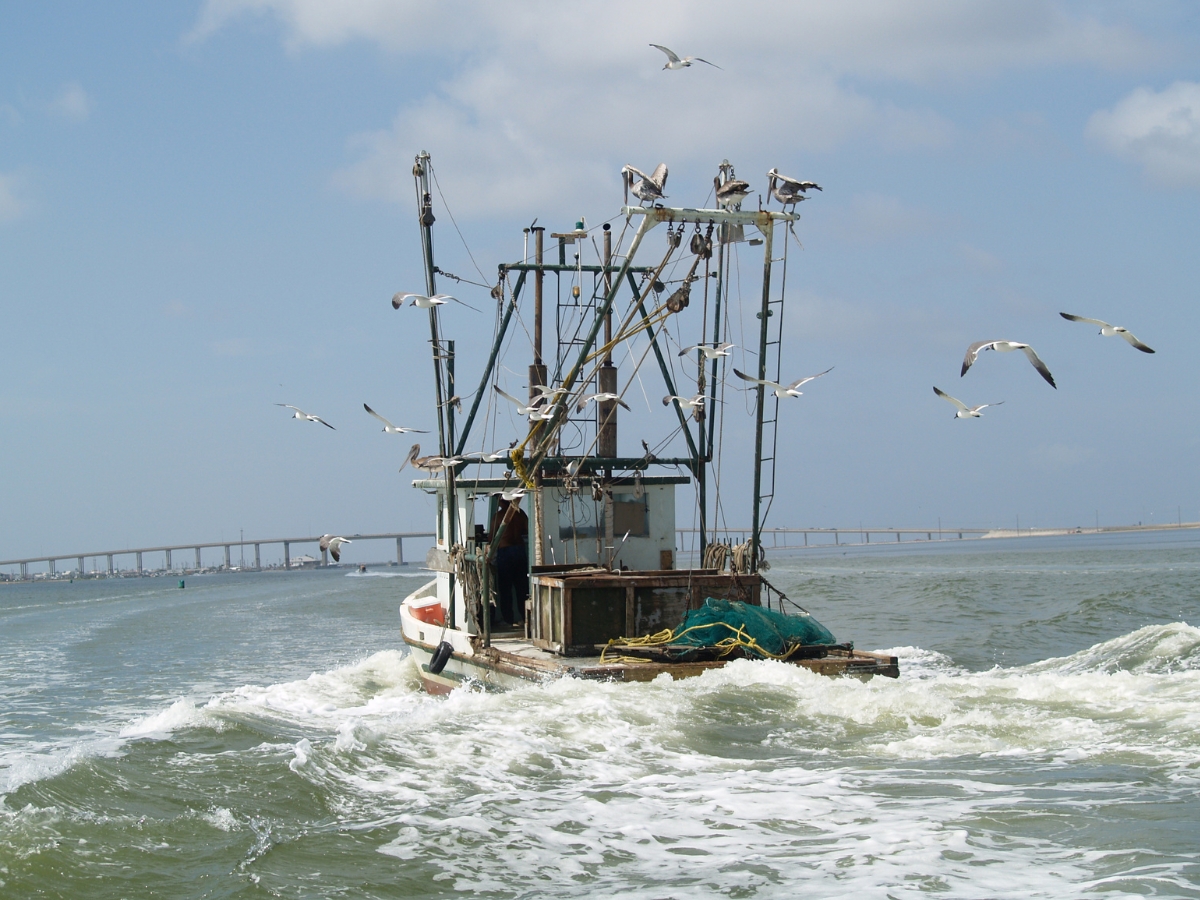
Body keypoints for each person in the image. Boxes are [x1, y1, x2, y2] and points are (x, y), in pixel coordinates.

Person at [490, 498, 529, 627]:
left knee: (505, 589)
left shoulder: (498, 516)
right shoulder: (521, 514)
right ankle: (525, 618)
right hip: (519, 551)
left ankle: (508, 620)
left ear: (503, 502)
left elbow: (491, 537)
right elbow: (527, 529)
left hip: (505, 552)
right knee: (522, 589)